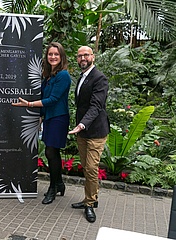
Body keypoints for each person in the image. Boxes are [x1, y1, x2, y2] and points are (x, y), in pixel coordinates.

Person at [12, 42, 71, 205]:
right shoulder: (48, 75)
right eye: (50, 54)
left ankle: (53, 188)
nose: (53, 57)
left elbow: (52, 100)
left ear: (61, 57)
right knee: (51, 153)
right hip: (49, 118)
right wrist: (40, 117)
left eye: (56, 54)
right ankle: (58, 183)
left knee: (52, 151)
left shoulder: (63, 76)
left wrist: (29, 105)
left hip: (58, 118)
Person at [68, 46, 110, 223]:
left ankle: (90, 204)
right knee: (86, 167)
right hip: (82, 131)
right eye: (79, 56)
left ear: (93, 56)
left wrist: (82, 124)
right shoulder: (82, 77)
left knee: (92, 168)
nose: (82, 58)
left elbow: (96, 106)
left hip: (95, 132)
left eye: (86, 55)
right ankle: (90, 198)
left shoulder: (100, 78)